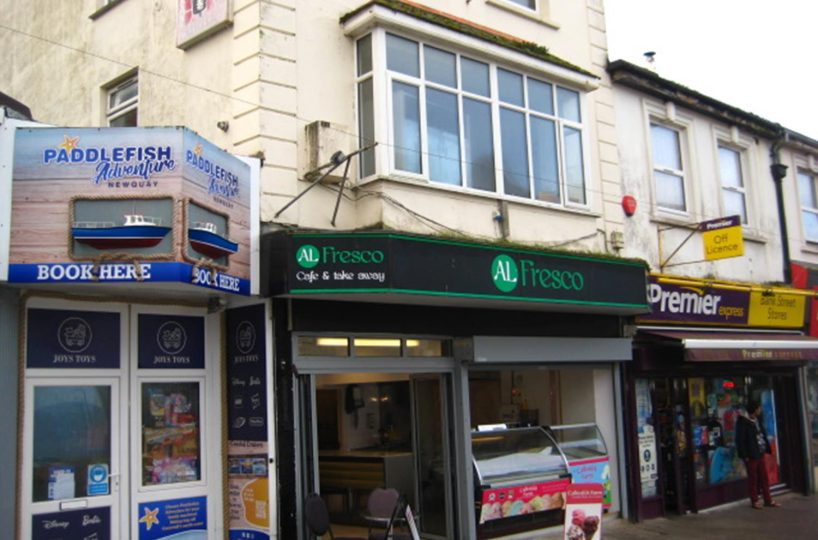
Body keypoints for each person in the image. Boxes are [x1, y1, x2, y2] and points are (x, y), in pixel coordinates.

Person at [735, 400, 780, 509]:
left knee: (764, 477)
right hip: (751, 454)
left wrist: (766, 447)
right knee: (753, 478)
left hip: (760, 452)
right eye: (759, 408)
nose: (760, 410)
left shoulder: (757, 420)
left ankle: (767, 499)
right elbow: (740, 440)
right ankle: (755, 500)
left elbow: (762, 434)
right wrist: (744, 455)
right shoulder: (743, 422)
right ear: (754, 410)